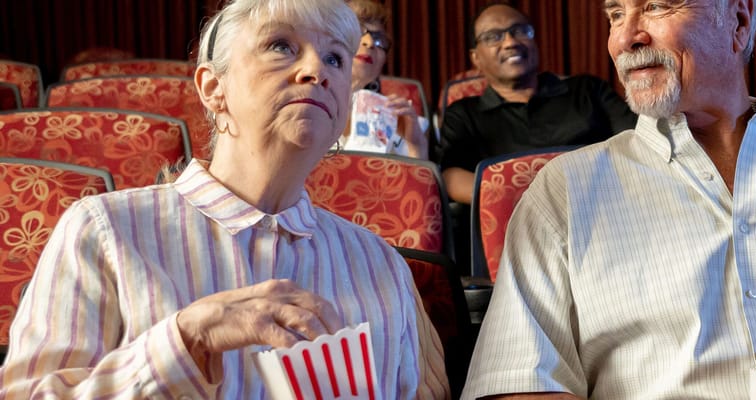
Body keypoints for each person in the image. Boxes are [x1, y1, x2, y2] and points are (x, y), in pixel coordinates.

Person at [0, 0, 449, 398]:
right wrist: (188, 339)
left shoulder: (380, 263)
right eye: (281, 46)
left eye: (335, 57)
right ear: (213, 88)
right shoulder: (103, 230)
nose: (318, 70)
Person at [461, 0, 756, 398]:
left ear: (738, 19)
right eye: (616, 14)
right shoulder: (562, 193)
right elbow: (514, 384)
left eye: (656, 7)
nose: (626, 37)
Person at [434, 2, 637, 205]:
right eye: (493, 37)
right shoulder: (464, 113)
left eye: (520, 31)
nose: (510, 42)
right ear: (476, 57)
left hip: (604, 205)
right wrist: (519, 202)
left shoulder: (588, 90)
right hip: (512, 223)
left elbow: (635, 142)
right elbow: (451, 175)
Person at [342, 0, 429, 159]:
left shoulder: (394, 118)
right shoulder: (303, 101)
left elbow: (417, 180)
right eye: (358, 31)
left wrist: (415, 144)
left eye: (379, 39)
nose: (369, 43)